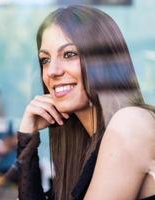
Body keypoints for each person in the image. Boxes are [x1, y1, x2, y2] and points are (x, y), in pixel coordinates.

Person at [17, 5, 155, 200]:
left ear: (104, 62)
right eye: (45, 60)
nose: (52, 71)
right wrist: (27, 135)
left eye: (69, 54)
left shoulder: (131, 123)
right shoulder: (83, 147)